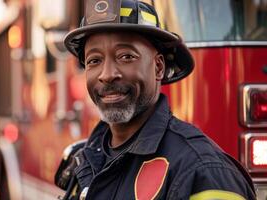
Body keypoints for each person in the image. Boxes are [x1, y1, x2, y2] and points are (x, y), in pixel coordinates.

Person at [56, 0, 256, 199]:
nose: (107, 74)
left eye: (126, 56)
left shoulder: (204, 172)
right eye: (94, 61)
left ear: (158, 67)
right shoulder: (89, 160)